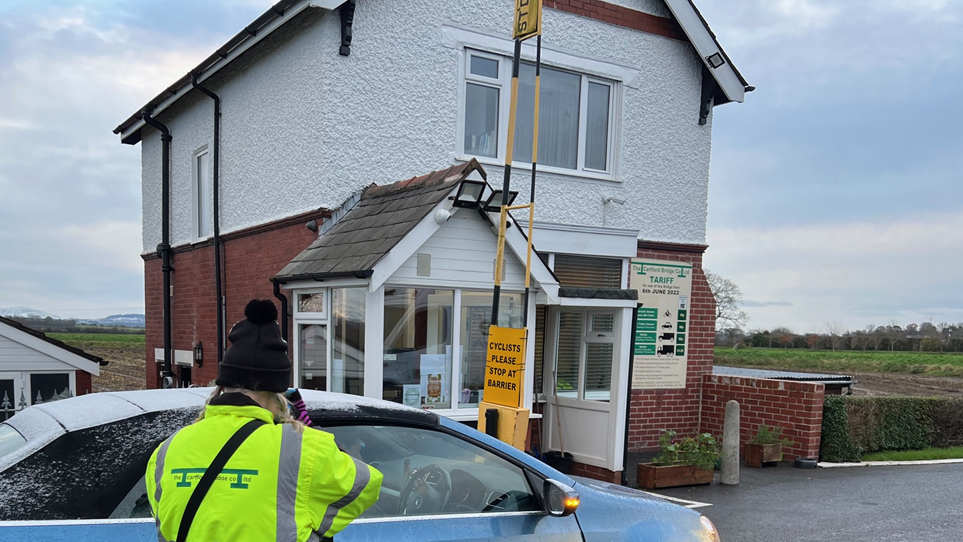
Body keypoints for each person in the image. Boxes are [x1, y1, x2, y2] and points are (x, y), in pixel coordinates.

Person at [146, 299, 383, 541]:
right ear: (279, 394)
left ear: (222, 387)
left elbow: (163, 517)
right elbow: (367, 485)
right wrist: (315, 435)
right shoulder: (305, 447)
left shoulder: (169, 448)